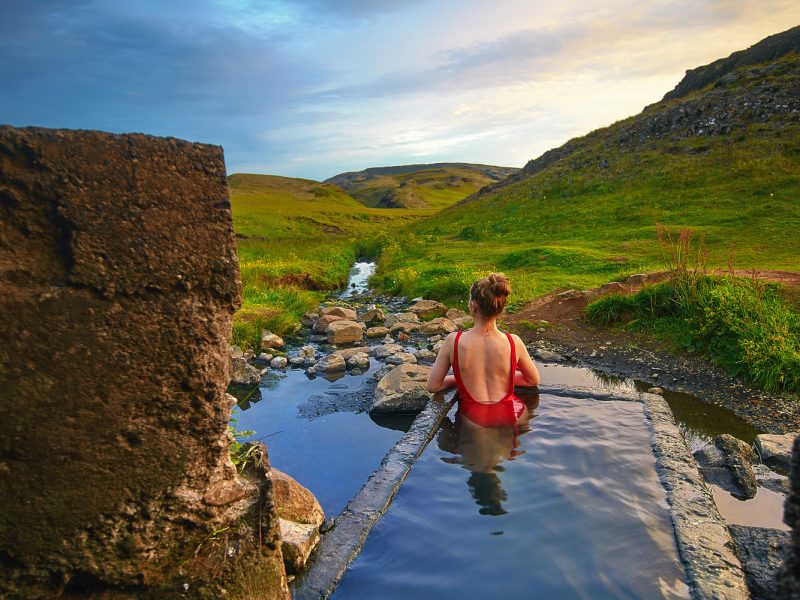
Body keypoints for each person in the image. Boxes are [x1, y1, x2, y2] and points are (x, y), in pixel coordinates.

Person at [427, 273, 541, 428]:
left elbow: (433, 386)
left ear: (473, 306)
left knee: (445, 444)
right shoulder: (514, 341)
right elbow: (532, 380)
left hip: (475, 418)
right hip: (513, 413)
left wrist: (461, 378)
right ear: (500, 308)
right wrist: (502, 375)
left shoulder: (454, 341)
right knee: (509, 449)